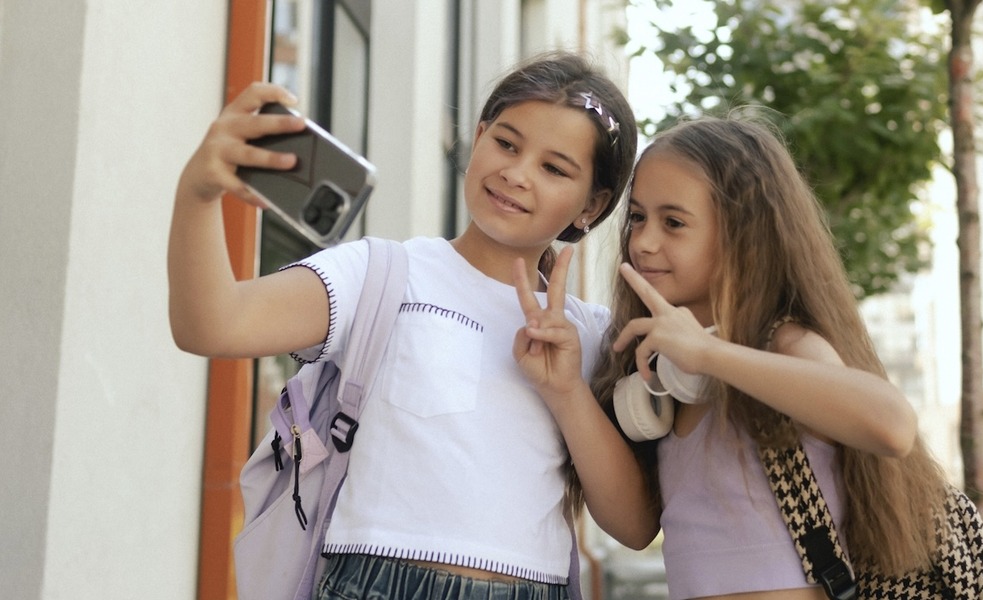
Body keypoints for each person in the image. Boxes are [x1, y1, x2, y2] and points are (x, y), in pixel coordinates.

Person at [168, 51, 654, 599]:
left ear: (592, 204)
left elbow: (635, 528)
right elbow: (212, 325)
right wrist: (199, 194)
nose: (516, 174)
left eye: (554, 168)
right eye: (507, 143)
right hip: (376, 583)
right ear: (478, 136)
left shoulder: (591, 334)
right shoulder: (381, 274)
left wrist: (566, 391)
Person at [587, 115, 952, 600]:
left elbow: (893, 426)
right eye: (637, 217)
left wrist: (710, 353)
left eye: (673, 222)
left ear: (742, 234)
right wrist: (565, 391)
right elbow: (633, 531)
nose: (644, 242)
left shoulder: (786, 345)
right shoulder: (668, 375)